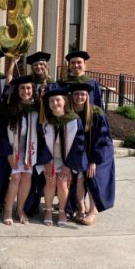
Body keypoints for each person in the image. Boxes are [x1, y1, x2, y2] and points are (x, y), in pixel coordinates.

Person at [36, 88, 88, 227]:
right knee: (50, 182)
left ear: (64, 101)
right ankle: (47, 211)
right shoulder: (44, 121)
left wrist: (68, 165)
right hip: (50, 159)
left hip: (67, 160)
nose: (55, 103)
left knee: (62, 184)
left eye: (58, 100)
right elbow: (40, 143)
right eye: (51, 101)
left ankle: (62, 212)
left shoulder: (74, 120)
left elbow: (79, 144)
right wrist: (46, 161)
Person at [68, 83, 115, 225]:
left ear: (87, 96)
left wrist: (94, 160)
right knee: (79, 178)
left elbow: (103, 138)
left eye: (82, 94)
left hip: (99, 153)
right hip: (80, 153)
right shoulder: (70, 113)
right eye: (76, 94)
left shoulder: (96, 112)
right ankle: (81, 207)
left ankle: (93, 211)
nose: (79, 97)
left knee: (93, 176)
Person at [0, 75, 39, 225]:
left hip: (30, 150)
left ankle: (20, 209)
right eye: (22, 88)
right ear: (17, 91)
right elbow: (2, 133)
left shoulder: (37, 109)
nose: (25, 91)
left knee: (27, 178)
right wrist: (9, 153)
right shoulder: (9, 108)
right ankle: (8, 209)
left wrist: (32, 154)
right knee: (15, 178)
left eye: (28, 88)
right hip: (12, 150)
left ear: (33, 90)